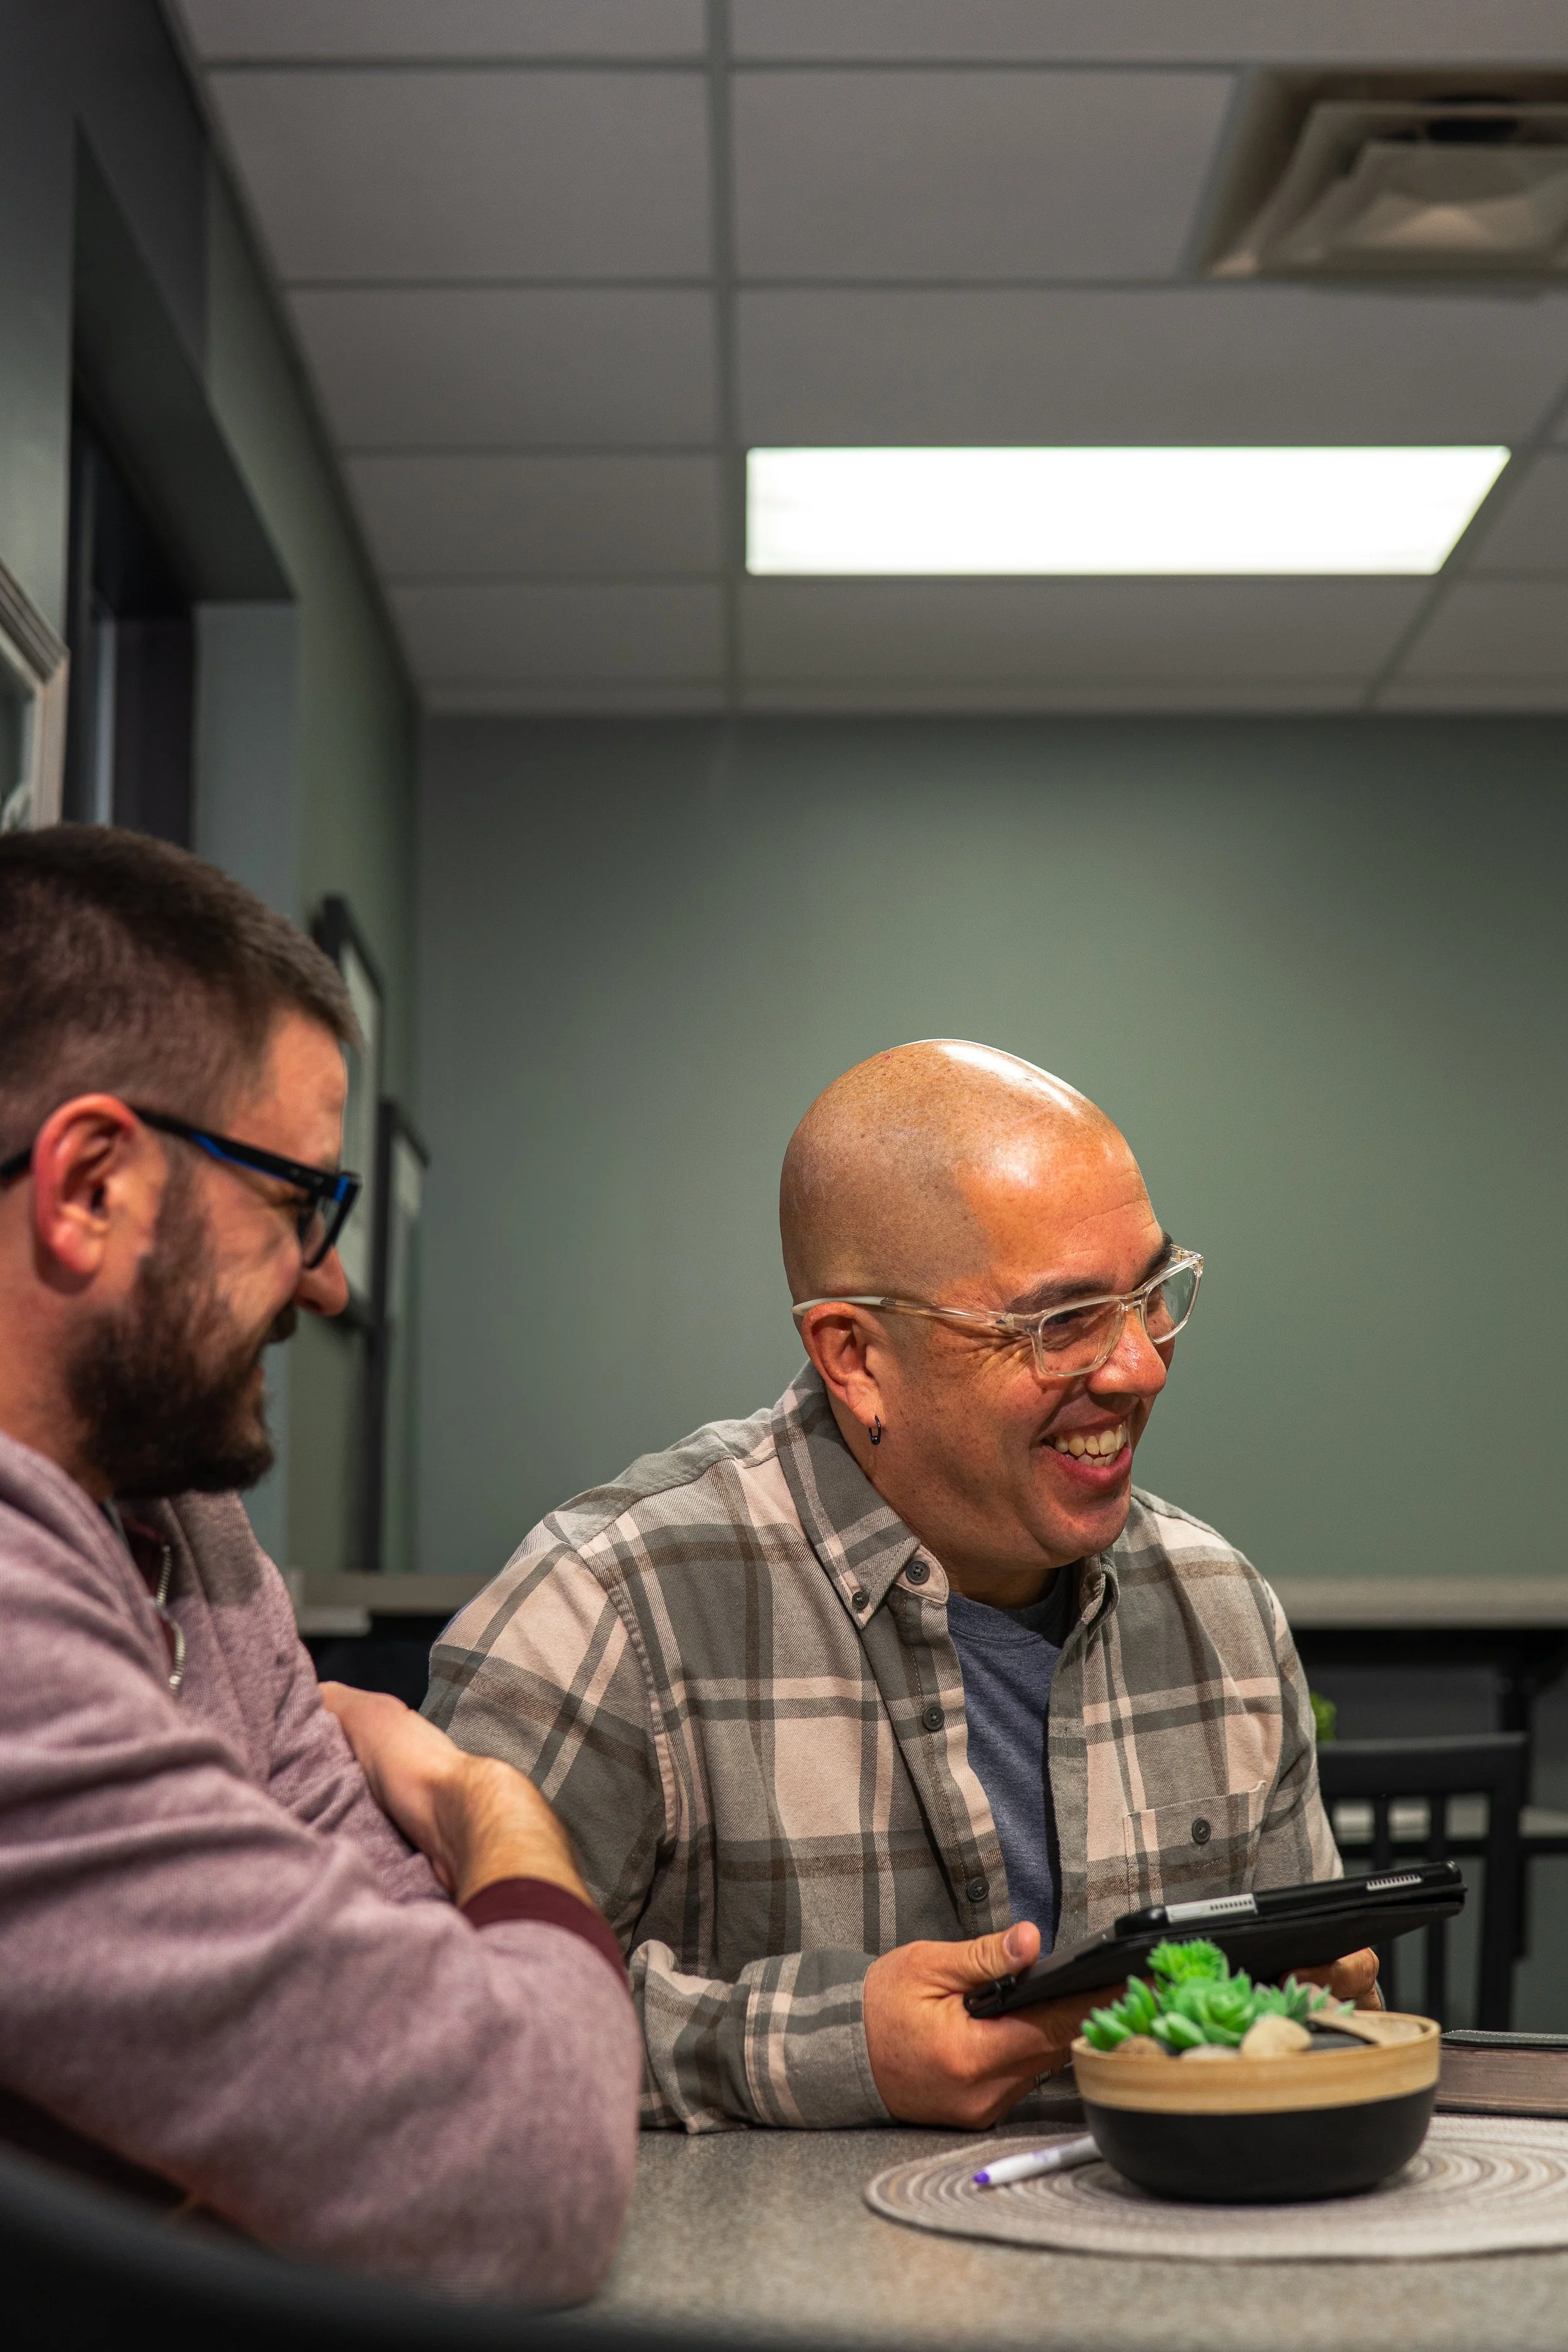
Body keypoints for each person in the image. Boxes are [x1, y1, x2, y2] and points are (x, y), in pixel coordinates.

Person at [426, 1040, 1375, 2134]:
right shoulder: (609, 1609)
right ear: (855, 1356)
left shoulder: (1219, 1608)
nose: (1141, 1365)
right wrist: (827, 2053)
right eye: (1059, 1322)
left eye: (1153, 1293)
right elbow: (421, 2030)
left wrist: (1308, 2016)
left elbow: (1297, 2013)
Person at [0, 825, 640, 2297]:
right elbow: (518, 2158)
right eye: (297, 1203)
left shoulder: (193, 1540)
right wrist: (488, 1803)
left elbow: (408, 1998)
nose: (328, 1279)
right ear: (90, 1185)